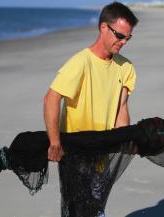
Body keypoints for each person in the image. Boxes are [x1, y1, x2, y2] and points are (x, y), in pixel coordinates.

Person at [44, 2, 139, 217]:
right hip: (75, 151)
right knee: (77, 208)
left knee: (96, 206)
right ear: (104, 27)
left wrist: (124, 139)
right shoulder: (80, 62)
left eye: (128, 38)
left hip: (103, 150)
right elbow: (51, 98)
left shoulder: (126, 67)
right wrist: (55, 141)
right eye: (120, 35)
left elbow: (121, 108)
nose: (123, 42)